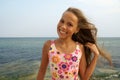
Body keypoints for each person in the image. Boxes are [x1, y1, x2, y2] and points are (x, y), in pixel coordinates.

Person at [37, 7, 112, 80]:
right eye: (62, 21)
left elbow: (84, 77)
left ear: (76, 29)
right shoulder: (49, 45)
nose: (63, 26)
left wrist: (96, 55)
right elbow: (41, 71)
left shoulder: (79, 48)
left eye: (69, 24)